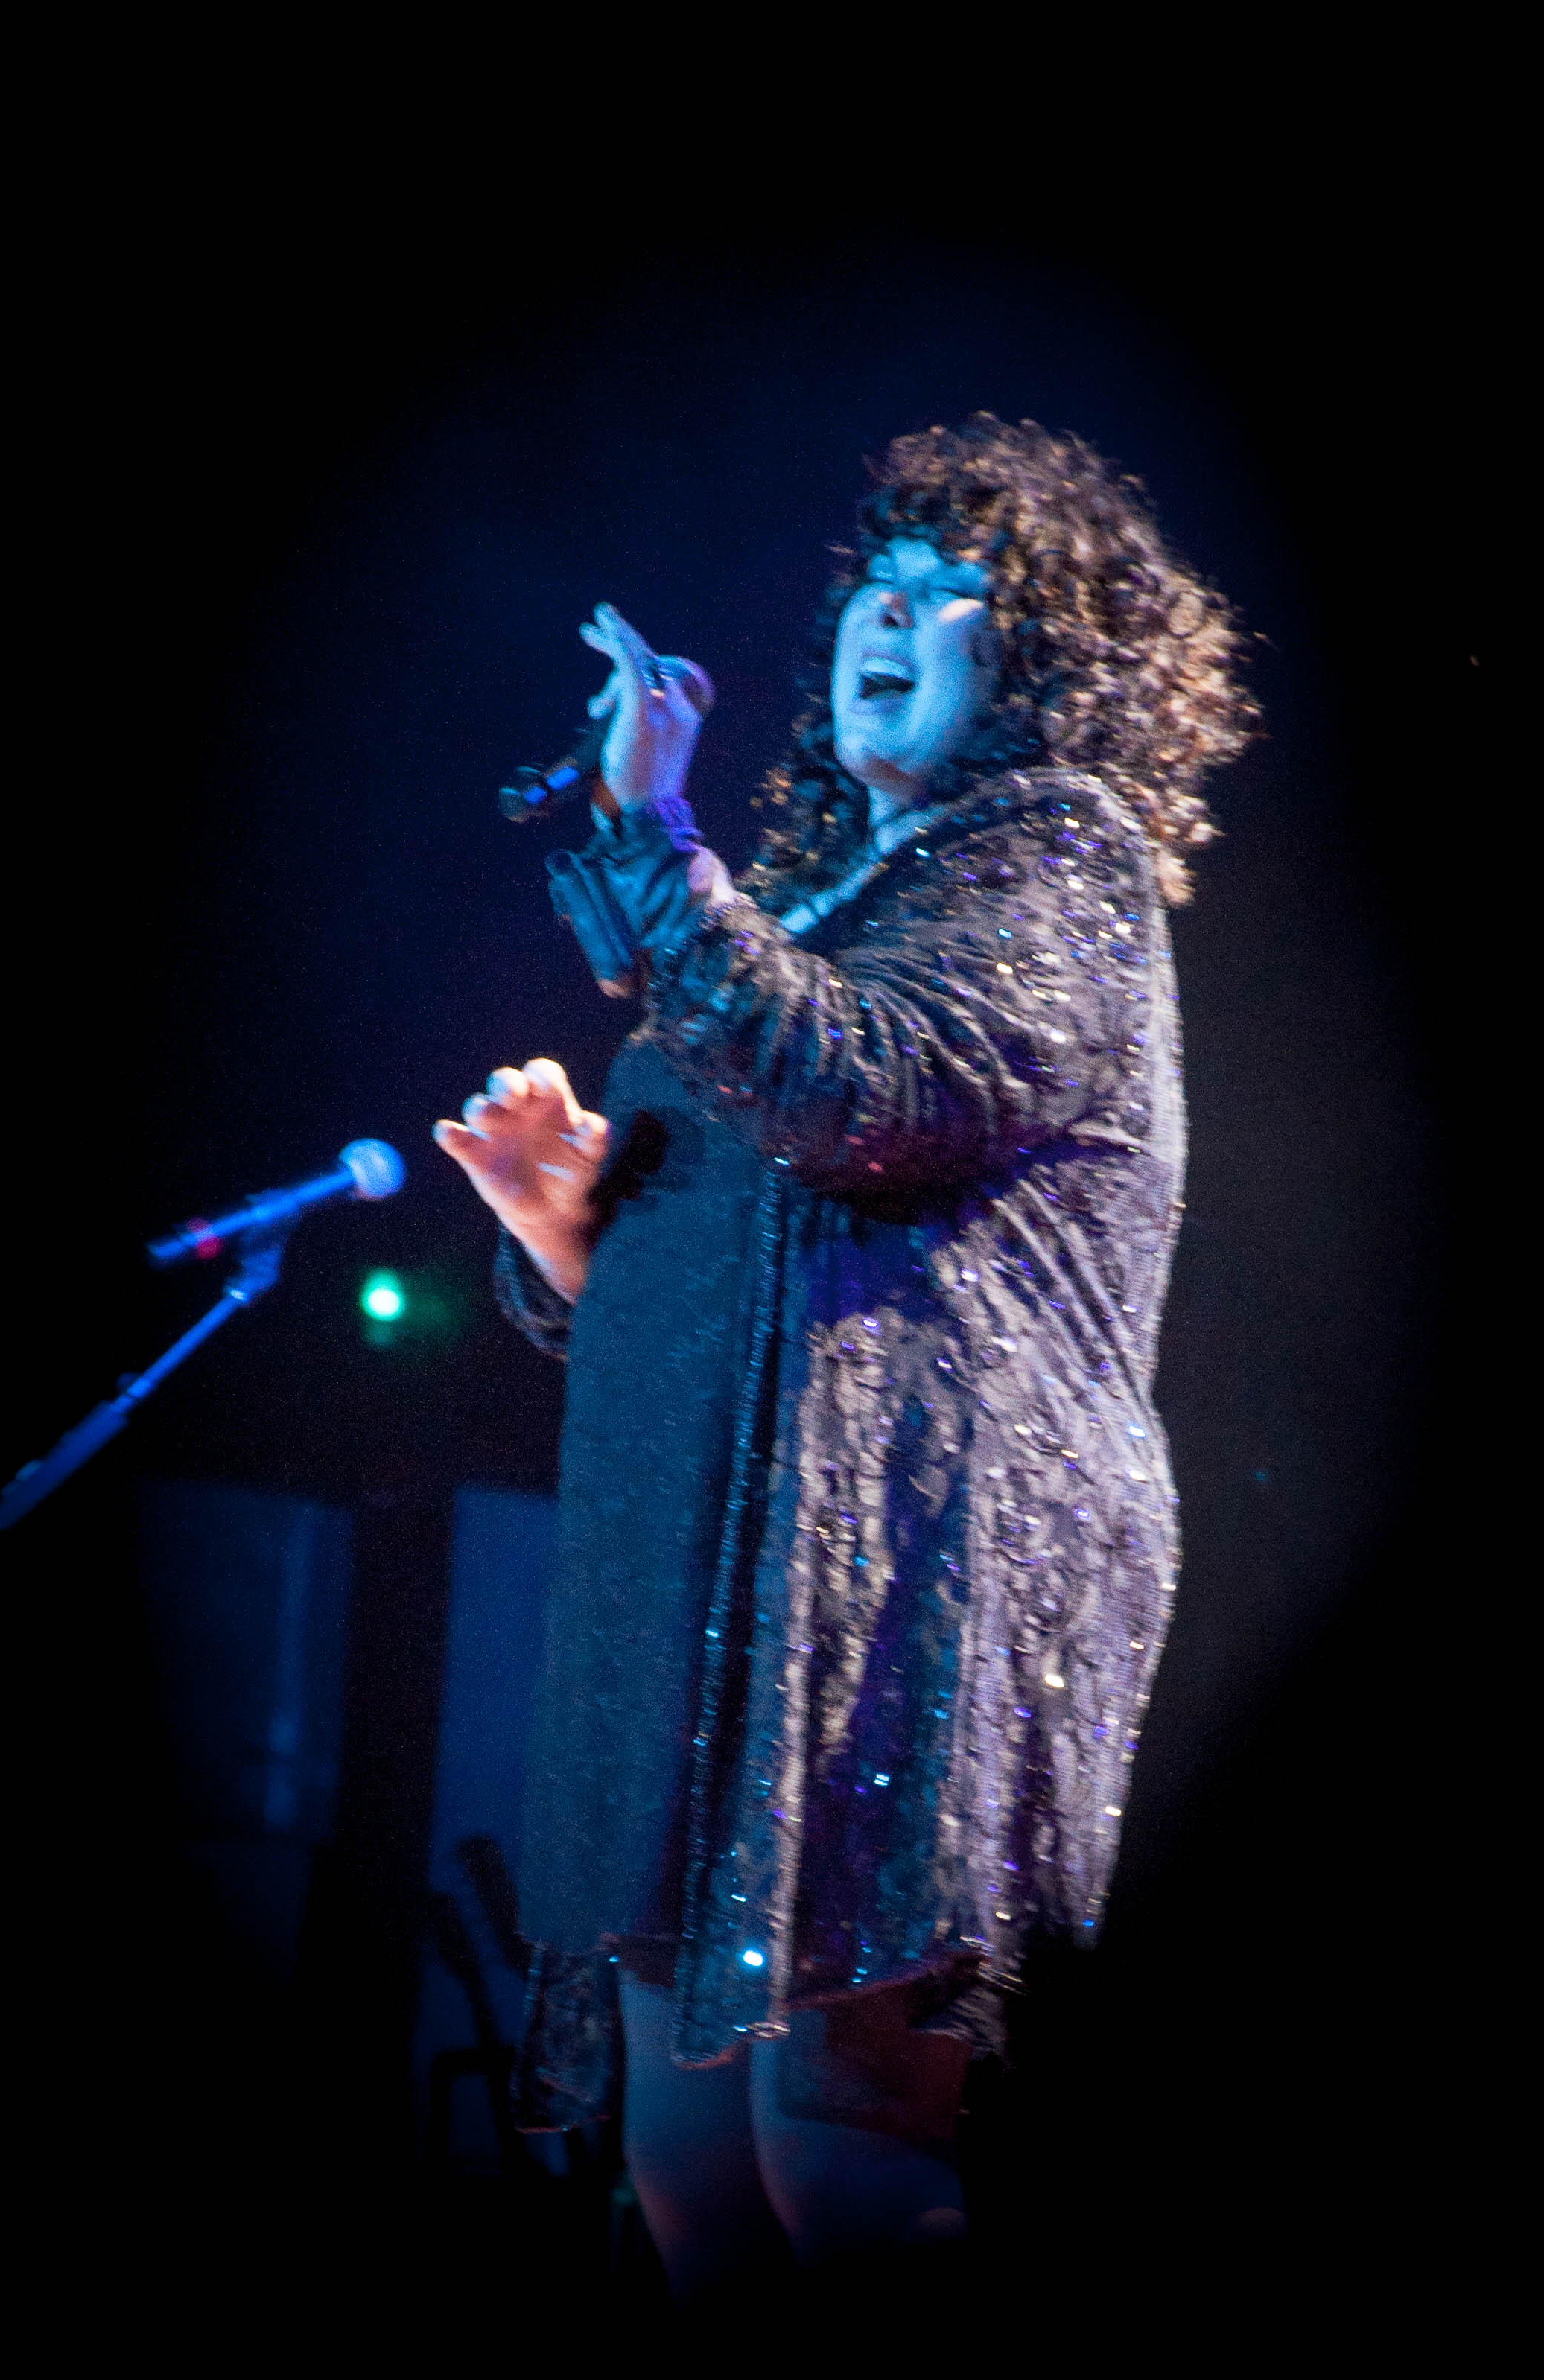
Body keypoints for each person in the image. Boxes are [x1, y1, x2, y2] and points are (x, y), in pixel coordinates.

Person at [434, 414, 1255, 2300]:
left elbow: (858, 1088)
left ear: (1043, 659)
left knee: (843, 2139)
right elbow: (734, 1230)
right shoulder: (812, 918)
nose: (890, 614)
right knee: (689, 2167)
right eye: (874, 586)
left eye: (950, 593)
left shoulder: (1058, 865)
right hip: (716, 1575)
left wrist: (658, 830)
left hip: (908, 1554)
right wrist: (567, 1231)